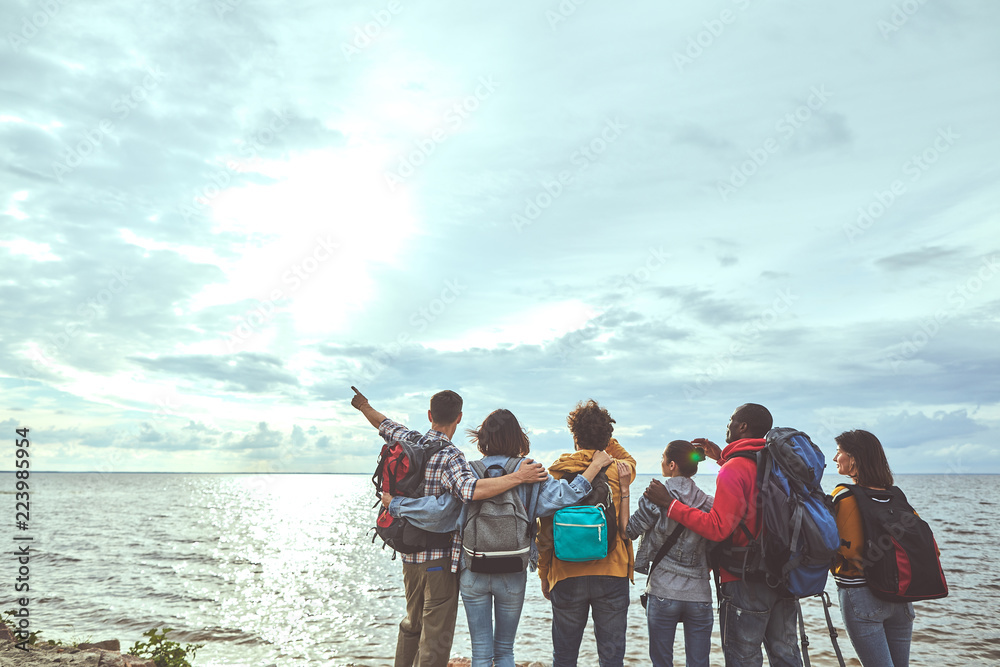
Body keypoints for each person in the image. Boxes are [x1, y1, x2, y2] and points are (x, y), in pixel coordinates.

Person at [386, 408, 615, 667]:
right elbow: (566, 496)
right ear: (517, 438)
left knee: (481, 653)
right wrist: (595, 466)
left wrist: (397, 504)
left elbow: (440, 512)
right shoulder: (530, 471)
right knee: (505, 651)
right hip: (512, 569)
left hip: (473, 570)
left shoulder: (468, 472)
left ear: (483, 438)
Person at [351, 388, 548, 667]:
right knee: (435, 635)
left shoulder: (409, 438)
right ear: (459, 418)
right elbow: (470, 491)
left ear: (430, 415)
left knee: (412, 624)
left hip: (409, 556)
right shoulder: (452, 456)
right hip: (439, 560)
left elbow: (382, 423)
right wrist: (518, 477)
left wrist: (363, 405)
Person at [644, 403, 802, 667]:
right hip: (783, 574)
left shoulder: (734, 469)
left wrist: (670, 504)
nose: (727, 424)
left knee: (744, 657)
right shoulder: (776, 463)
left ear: (742, 426)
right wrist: (722, 458)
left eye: (731, 419)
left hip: (745, 579)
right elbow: (755, 497)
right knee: (785, 654)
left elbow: (717, 528)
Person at [535, 399, 636, 667]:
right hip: (612, 571)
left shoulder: (555, 473)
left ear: (575, 438)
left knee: (565, 656)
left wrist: (544, 574)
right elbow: (630, 459)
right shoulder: (618, 469)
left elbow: (545, 533)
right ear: (607, 438)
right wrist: (604, 443)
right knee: (612, 658)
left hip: (566, 572)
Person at [626, 440, 714, 667]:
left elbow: (631, 531)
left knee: (661, 662)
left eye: (663, 458)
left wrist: (625, 490)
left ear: (672, 465)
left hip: (663, 590)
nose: (662, 462)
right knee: (699, 663)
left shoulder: (655, 496)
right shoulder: (708, 503)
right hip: (700, 595)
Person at [831, 429, 914, 667]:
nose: (835, 458)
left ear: (854, 458)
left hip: (862, 594)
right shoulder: (896, 495)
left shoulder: (844, 495)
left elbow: (831, 543)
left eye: (839, 452)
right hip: (902, 596)